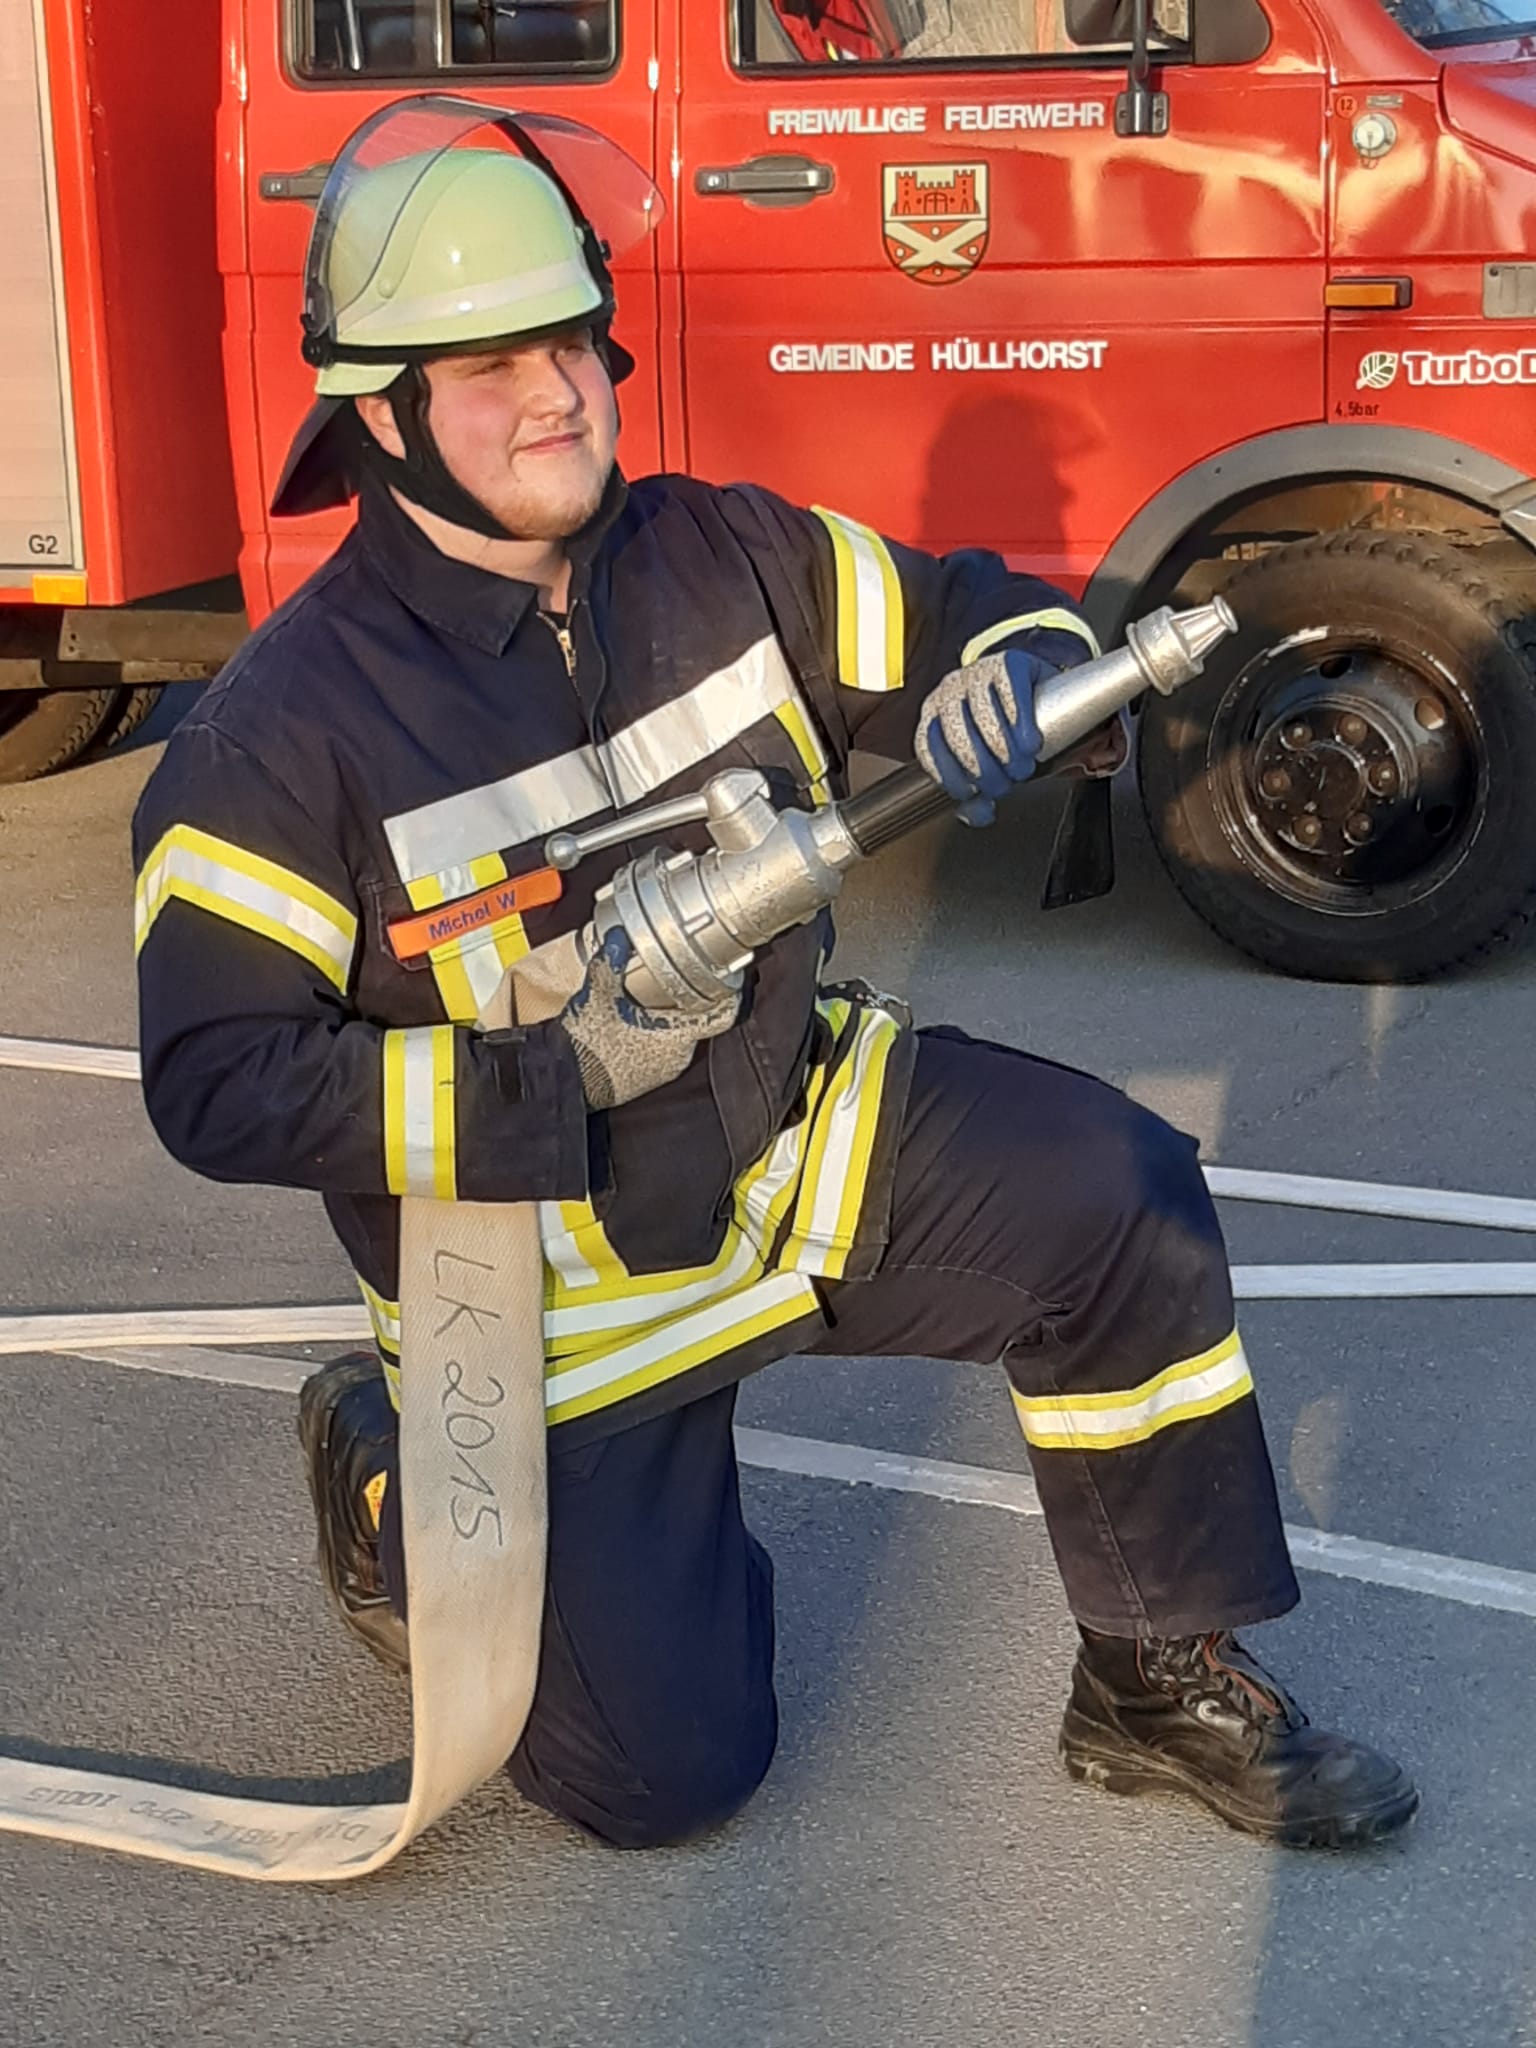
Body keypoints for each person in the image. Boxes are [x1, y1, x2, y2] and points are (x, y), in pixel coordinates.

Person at [132, 98, 1416, 1854]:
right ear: (381, 418)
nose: (562, 392)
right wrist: (555, 1073)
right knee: (667, 1783)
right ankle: (392, 1478)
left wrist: (1019, 667)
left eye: (574, 340)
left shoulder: (719, 553)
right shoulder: (275, 741)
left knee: (1122, 1196)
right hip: (557, 1294)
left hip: (799, 1147)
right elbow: (217, 1079)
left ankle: (1150, 1671)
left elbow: (974, 606)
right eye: (493, 366)